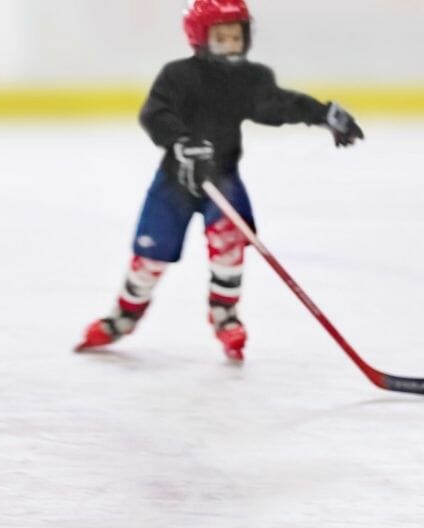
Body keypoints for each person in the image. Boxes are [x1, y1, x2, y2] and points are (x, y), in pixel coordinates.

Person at [74, 0, 364, 361]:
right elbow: (155, 112)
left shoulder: (249, 79)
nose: (231, 43)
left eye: (236, 35)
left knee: (229, 245)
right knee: (150, 255)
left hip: (222, 178)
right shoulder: (177, 75)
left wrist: (323, 114)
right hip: (174, 182)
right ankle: (124, 315)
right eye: (221, 36)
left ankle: (224, 314)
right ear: (199, 37)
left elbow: (277, 104)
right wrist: (181, 141)